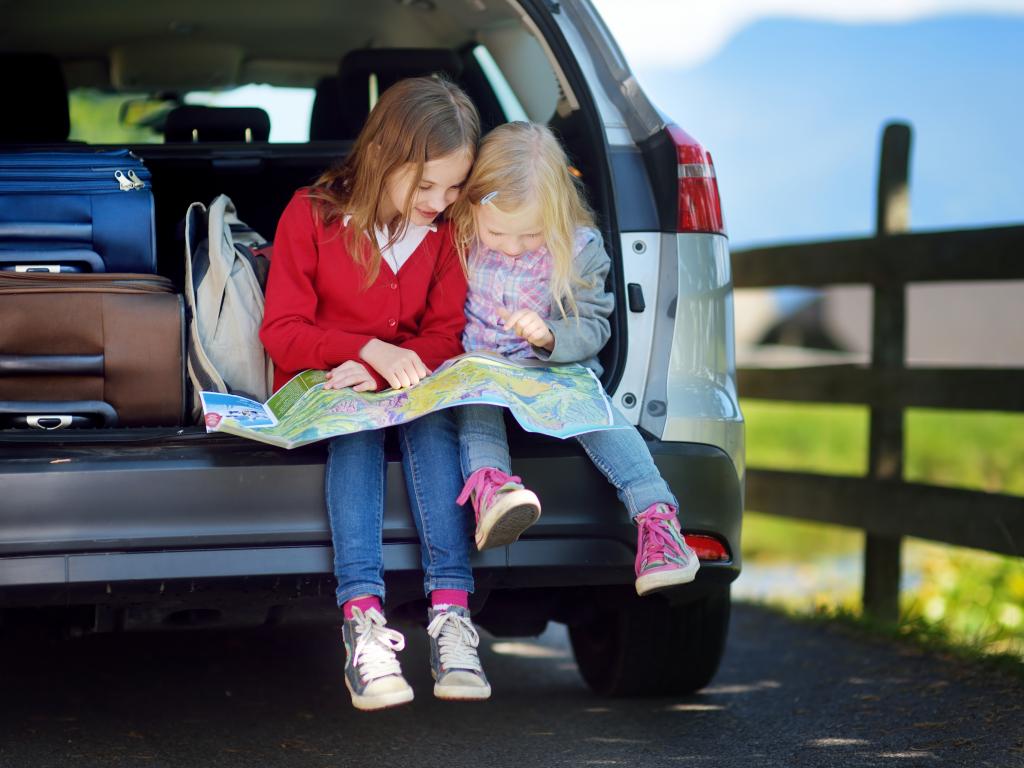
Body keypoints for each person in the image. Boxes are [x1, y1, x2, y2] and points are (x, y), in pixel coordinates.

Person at [259, 77, 489, 711]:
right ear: (385, 156)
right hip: (331, 385)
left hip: (408, 384)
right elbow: (282, 332)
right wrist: (365, 351)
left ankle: (452, 616)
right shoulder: (310, 214)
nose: (439, 202)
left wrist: (392, 368)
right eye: (424, 186)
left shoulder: (446, 232)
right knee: (356, 433)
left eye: (454, 187)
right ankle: (363, 623)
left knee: (433, 425)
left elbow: (447, 333)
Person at [449, 121, 700, 597]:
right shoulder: (461, 236)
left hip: (554, 370)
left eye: (531, 234)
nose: (512, 245)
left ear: (559, 214)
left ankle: (658, 524)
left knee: (599, 416)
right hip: (483, 369)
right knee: (475, 409)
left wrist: (549, 336)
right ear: (471, 208)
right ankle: (496, 495)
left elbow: (596, 325)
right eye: (498, 232)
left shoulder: (580, 249)